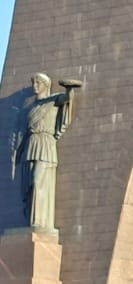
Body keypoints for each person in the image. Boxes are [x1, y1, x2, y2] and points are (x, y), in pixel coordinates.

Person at [12, 73, 78, 232]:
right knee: (28, 186)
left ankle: (40, 222)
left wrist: (69, 89)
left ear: (46, 85)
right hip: (31, 144)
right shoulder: (32, 108)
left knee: (37, 182)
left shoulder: (53, 100)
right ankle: (31, 221)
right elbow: (24, 133)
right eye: (33, 82)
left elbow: (66, 99)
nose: (35, 85)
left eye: (38, 82)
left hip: (45, 144)